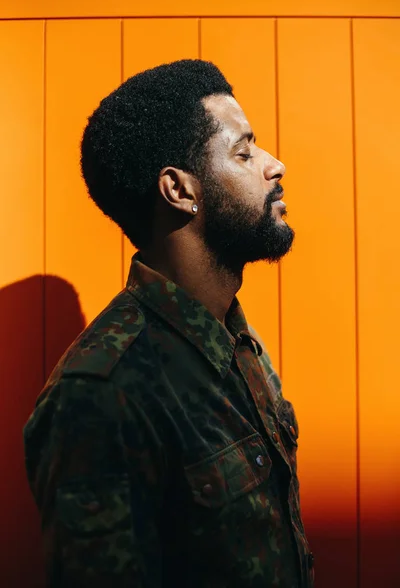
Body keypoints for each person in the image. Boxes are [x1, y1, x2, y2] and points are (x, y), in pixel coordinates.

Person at [23, 59, 314, 587]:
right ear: (179, 191)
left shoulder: (236, 341)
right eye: (243, 151)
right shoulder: (100, 395)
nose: (275, 164)